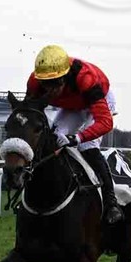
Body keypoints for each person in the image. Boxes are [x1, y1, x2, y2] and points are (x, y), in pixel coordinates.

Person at [25, 44, 122, 223]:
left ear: (65, 76)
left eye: (54, 84)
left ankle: (110, 202)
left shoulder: (86, 78)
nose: (50, 91)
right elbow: (30, 114)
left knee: (87, 145)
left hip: (98, 99)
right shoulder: (34, 82)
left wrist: (77, 137)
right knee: (54, 138)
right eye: (45, 84)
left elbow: (105, 122)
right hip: (73, 105)